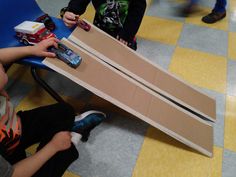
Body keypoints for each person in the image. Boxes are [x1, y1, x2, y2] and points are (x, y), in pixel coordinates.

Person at [0, 38, 106, 177]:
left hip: (13, 131)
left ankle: (67, 134)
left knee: (64, 111)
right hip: (10, 167)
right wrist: (53, 147)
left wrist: (32, 49)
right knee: (62, 153)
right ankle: (72, 139)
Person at [60, 0, 147, 50]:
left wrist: (127, 34)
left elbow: (138, 8)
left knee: (123, 61)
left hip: (124, 32)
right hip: (100, 28)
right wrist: (70, 12)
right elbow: (78, 3)